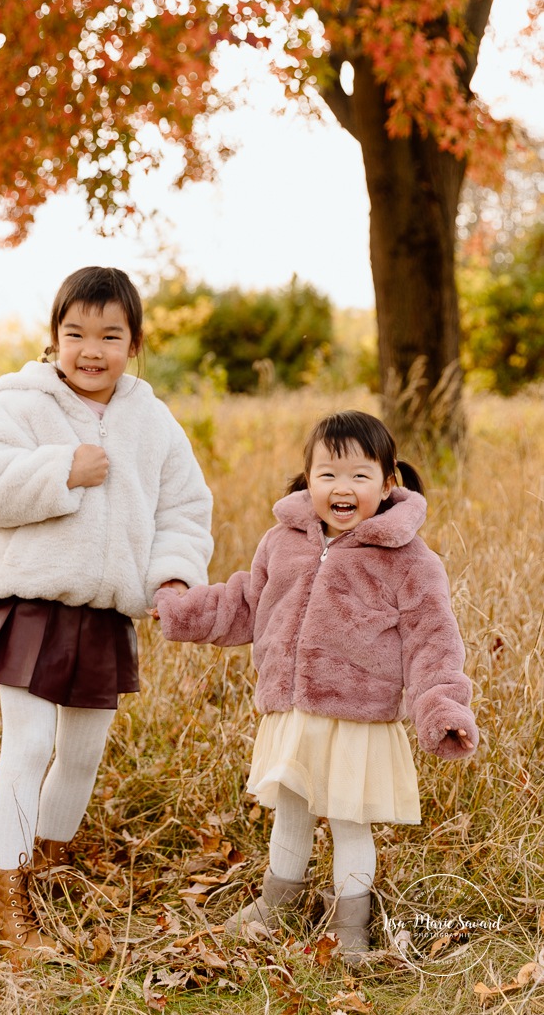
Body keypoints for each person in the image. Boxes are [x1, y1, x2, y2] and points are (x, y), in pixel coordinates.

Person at [153, 410, 478, 961]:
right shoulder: (283, 542)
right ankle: (279, 903)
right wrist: (183, 611)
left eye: (358, 475)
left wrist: (441, 705)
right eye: (327, 474)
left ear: (387, 482)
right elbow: (246, 604)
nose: (342, 487)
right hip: (293, 712)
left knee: (350, 821)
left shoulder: (409, 561)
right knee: (293, 810)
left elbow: (433, 640)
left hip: (357, 717)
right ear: (308, 481)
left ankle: (349, 921)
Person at [0, 266, 213, 959]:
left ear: (134, 343)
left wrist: (173, 577)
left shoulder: (151, 421)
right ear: (54, 336)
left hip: (105, 614)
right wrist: (61, 469)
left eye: (109, 335)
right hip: (30, 601)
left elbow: (184, 509)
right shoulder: (18, 405)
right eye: (75, 334)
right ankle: (8, 903)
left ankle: (48, 863)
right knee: (30, 744)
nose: (90, 350)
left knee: (82, 752)